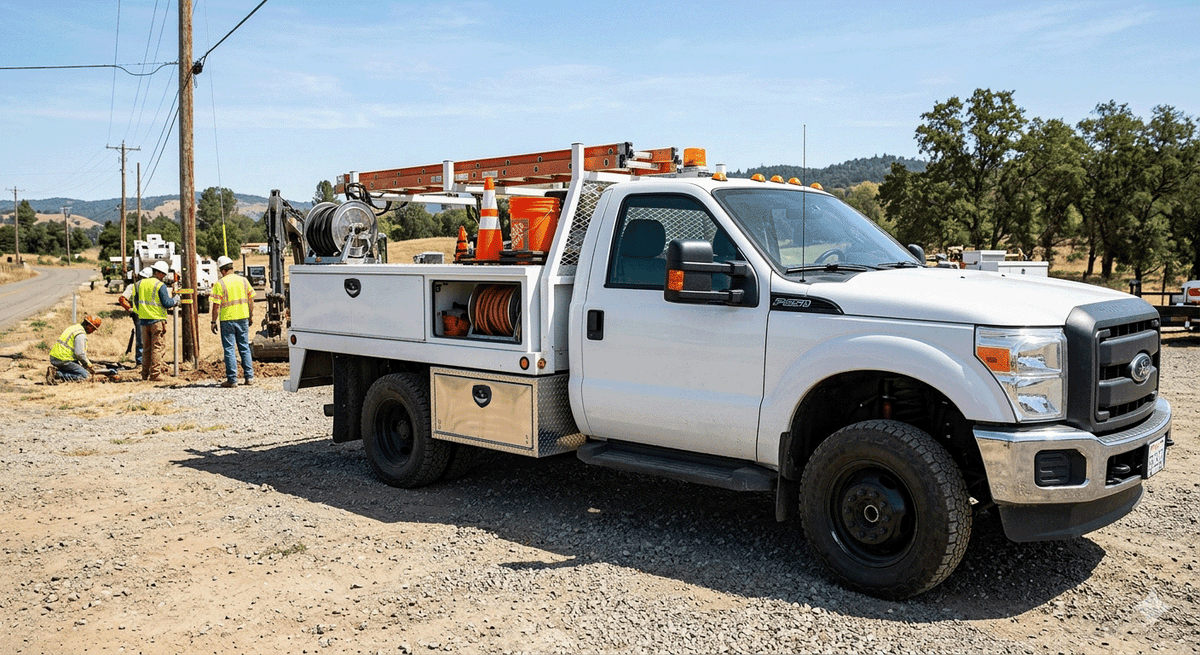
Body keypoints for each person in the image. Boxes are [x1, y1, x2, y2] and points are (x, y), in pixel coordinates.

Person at [210, 255, 255, 387]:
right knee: (244, 347)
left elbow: (216, 306)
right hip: (243, 318)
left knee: (229, 349)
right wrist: (250, 315)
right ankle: (249, 378)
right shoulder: (244, 281)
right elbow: (251, 300)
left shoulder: (220, 284)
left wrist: (213, 321)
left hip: (227, 320)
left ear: (222, 270)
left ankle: (232, 380)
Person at [135, 260, 179, 382]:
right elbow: (166, 303)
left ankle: (144, 375)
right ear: (159, 273)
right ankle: (155, 374)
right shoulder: (160, 285)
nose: (164, 277)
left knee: (146, 348)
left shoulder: (139, 284)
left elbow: (135, 302)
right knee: (157, 347)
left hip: (143, 321)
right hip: (157, 321)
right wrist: (175, 300)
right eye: (164, 274)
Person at [46, 315, 101, 384]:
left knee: (79, 370)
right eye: (93, 329)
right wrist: (88, 365)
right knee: (86, 376)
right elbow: (79, 354)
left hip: (56, 357)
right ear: (89, 326)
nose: (93, 331)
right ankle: (57, 374)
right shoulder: (81, 334)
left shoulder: (75, 327)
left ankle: (59, 371)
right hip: (63, 359)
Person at [119, 267, 152, 367]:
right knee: (142, 339)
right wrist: (129, 309)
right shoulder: (133, 287)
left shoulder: (151, 288)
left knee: (148, 340)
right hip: (141, 316)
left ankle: (148, 361)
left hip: (151, 316)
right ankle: (141, 362)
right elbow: (122, 299)